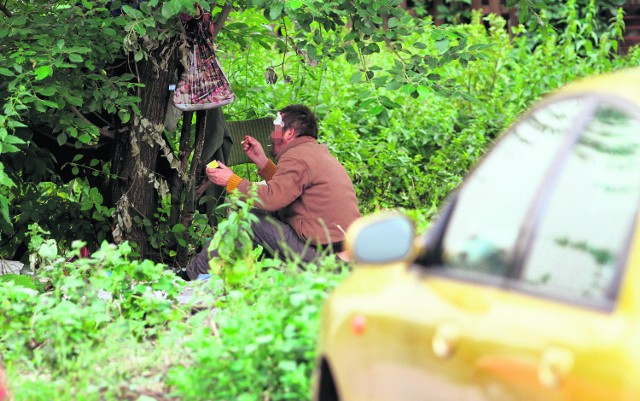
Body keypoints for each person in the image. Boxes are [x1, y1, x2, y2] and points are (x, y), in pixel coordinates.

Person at [183, 104, 360, 280]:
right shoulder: (315, 152)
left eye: (276, 129)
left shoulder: (296, 156)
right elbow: (289, 188)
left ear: (289, 133)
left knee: (247, 220)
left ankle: (189, 278)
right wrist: (262, 162)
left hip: (329, 261)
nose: (271, 134)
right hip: (345, 254)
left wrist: (231, 181)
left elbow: (272, 198)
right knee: (264, 214)